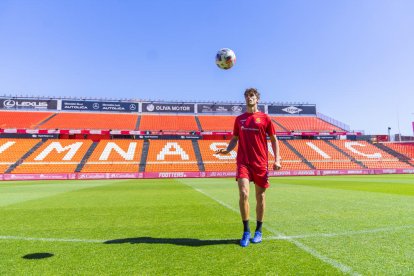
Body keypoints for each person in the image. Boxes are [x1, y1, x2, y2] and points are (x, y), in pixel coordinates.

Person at [216, 88, 281, 247]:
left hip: (260, 162)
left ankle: (258, 230)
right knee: (244, 193)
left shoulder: (265, 118)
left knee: (260, 197)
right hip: (243, 161)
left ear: (257, 99)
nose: (248, 98)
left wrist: (277, 158)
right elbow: (234, 138)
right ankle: (246, 231)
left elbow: (274, 139)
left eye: (251, 95)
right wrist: (228, 149)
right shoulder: (239, 119)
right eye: (246, 95)